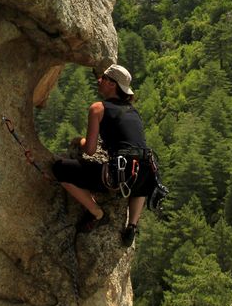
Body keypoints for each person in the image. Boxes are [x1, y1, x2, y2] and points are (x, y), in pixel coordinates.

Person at [52, 64, 156, 246]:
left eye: (104, 78)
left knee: (59, 169)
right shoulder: (133, 111)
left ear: (112, 85)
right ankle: (132, 225)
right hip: (145, 173)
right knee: (139, 178)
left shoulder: (98, 108)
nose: (99, 81)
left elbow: (90, 149)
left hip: (118, 175)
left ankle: (96, 213)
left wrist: (81, 141)